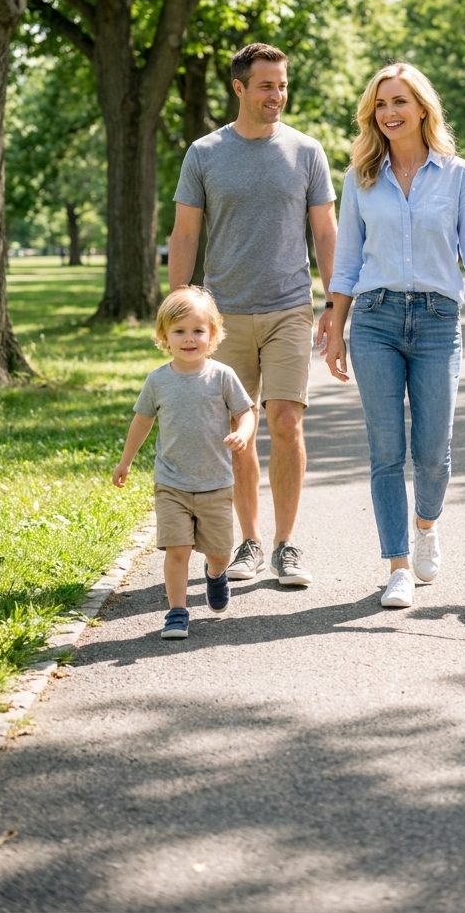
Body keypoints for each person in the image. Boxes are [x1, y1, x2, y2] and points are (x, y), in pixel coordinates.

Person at [324, 62, 465, 609]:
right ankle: (398, 566)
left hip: (437, 322)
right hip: (376, 320)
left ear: (422, 109)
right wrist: (335, 329)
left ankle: (426, 525)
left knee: (432, 453)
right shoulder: (360, 177)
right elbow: (346, 262)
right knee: (386, 451)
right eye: (381, 104)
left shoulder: (458, 175)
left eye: (400, 102)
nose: (389, 113)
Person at [168, 43, 337, 588]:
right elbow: (186, 233)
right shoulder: (205, 153)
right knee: (237, 432)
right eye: (267, 85)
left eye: (283, 85)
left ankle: (287, 545)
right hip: (224, 313)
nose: (278, 95)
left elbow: (326, 231)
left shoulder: (307, 151)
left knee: (285, 421)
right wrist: (181, 309)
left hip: (290, 306)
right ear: (239, 87)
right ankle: (250, 542)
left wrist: (335, 303)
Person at [112, 287, 255, 639]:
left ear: (214, 334)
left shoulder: (222, 376)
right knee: (177, 550)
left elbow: (246, 412)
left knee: (220, 552)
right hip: (171, 482)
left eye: (197, 331)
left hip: (216, 483)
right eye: (179, 331)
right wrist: (125, 462)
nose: (189, 339)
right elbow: (142, 422)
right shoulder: (158, 381)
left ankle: (215, 574)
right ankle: (177, 611)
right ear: (164, 336)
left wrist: (244, 434)